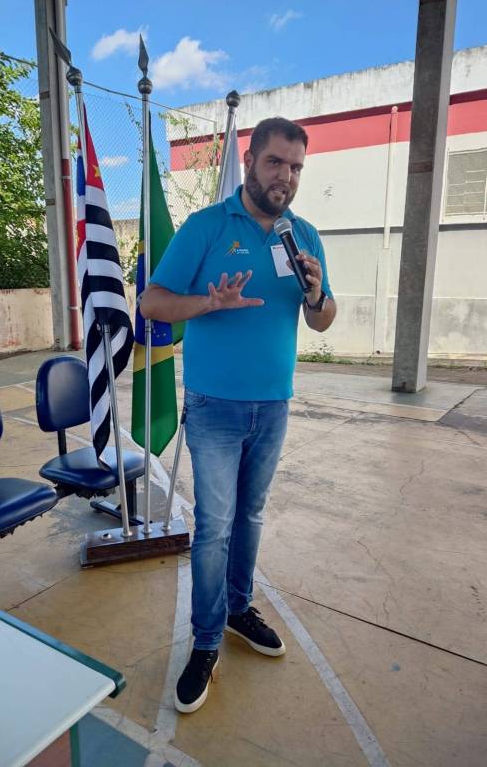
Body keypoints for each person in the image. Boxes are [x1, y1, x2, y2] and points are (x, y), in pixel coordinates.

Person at [140, 117, 336, 714]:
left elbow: (323, 319)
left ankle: (238, 609)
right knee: (214, 526)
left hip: (273, 406)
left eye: (296, 167)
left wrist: (316, 292)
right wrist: (209, 302)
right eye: (276, 162)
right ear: (250, 161)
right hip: (214, 408)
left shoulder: (303, 237)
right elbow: (151, 302)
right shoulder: (206, 227)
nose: (286, 177)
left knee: (250, 517)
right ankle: (204, 642)